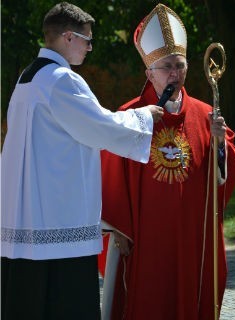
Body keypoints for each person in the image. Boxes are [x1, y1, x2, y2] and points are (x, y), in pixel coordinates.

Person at [1, 2, 164, 318]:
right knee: (65, 303)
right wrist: (144, 117)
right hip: (57, 216)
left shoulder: (28, 78)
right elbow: (100, 127)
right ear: (67, 37)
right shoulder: (61, 79)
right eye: (87, 40)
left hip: (27, 215)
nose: (90, 47)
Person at [99, 4, 235, 319]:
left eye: (179, 65)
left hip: (193, 234)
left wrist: (220, 143)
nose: (174, 74)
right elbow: (109, 169)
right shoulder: (130, 115)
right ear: (149, 72)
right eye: (166, 67)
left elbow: (228, 169)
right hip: (147, 237)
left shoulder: (207, 115)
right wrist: (118, 229)